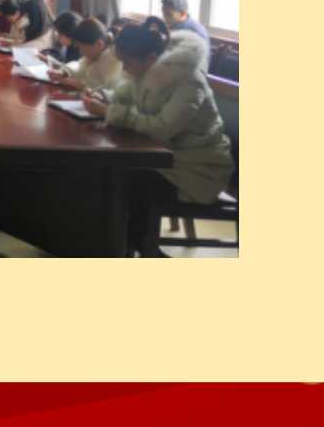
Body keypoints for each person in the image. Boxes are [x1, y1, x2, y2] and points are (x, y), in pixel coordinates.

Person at [80, 17, 233, 257]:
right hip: (172, 160)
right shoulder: (147, 71)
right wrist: (104, 97)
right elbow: (126, 93)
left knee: (128, 185)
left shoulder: (189, 82)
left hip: (200, 171)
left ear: (151, 58)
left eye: (128, 63)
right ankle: (123, 246)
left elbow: (162, 129)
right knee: (116, 178)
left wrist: (112, 113)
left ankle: (138, 248)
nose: (125, 69)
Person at [53, 18, 123, 93]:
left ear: (99, 44)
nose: (81, 51)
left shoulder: (111, 60)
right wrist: (64, 72)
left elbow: (91, 86)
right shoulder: (96, 53)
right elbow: (80, 66)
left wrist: (66, 80)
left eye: (83, 48)